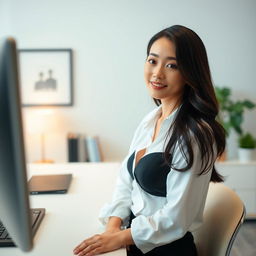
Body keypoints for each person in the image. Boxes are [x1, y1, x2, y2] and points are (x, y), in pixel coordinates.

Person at [73, 25, 226, 256]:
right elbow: (126, 183)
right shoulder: (150, 120)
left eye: (171, 65)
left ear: (190, 72)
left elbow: (176, 219)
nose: (157, 73)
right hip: (134, 239)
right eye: (152, 61)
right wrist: (112, 228)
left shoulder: (194, 135)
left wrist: (119, 238)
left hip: (166, 250)